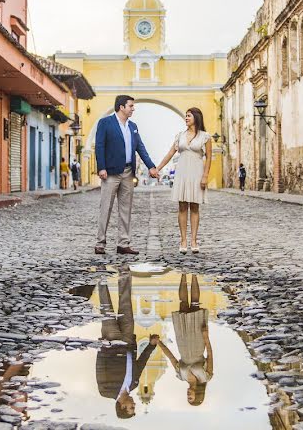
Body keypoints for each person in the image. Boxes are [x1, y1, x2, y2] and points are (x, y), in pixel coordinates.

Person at [94, 94, 158, 255]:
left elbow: (140, 147)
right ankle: (100, 243)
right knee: (105, 207)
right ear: (121, 107)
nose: (133, 109)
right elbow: (99, 146)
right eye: (131, 106)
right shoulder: (105, 123)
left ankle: (123, 243)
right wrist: (101, 167)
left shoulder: (133, 126)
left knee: (126, 208)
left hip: (128, 172)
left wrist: (151, 166)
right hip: (110, 172)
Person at [94, 265, 159, 419]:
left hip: (111, 342)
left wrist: (102, 348)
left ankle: (101, 272)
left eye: (131, 407)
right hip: (128, 341)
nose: (134, 404)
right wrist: (151, 346)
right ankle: (124, 272)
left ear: (122, 407)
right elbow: (141, 363)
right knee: (126, 305)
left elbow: (99, 369)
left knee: (106, 308)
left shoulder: (106, 391)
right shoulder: (134, 384)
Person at [155, 107, 212, 254]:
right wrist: (158, 168)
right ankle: (183, 240)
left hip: (197, 173)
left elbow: (209, 158)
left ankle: (193, 240)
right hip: (182, 173)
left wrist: (205, 176)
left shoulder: (205, 136)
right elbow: (170, 153)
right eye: (186, 116)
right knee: (182, 207)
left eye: (189, 116)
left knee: (194, 207)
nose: (186, 118)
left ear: (196, 118)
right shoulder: (180, 135)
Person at [157, 273, 213, 406]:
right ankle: (194, 274)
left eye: (188, 398)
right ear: (198, 395)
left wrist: (159, 343)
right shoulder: (206, 377)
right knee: (194, 304)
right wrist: (205, 337)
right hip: (198, 343)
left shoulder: (181, 377)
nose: (188, 395)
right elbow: (210, 355)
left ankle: (182, 274)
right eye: (191, 398)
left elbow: (172, 358)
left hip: (182, 341)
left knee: (182, 304)